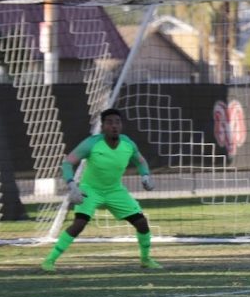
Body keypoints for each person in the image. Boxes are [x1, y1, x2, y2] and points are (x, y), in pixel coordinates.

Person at [41, 108, 162, 272]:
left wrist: (146, 176)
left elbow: (140, 161)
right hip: (91, 190)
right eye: (110, 122)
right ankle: (49, 261)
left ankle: (146, 260)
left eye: (117, 122)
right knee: (79, 224)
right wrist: (72, 186)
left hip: (115, 191)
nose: (114, 126)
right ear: (103, 126)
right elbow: (67, 162)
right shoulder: (92, 143)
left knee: (141, 223)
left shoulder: (128, 144)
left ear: (121, 125)